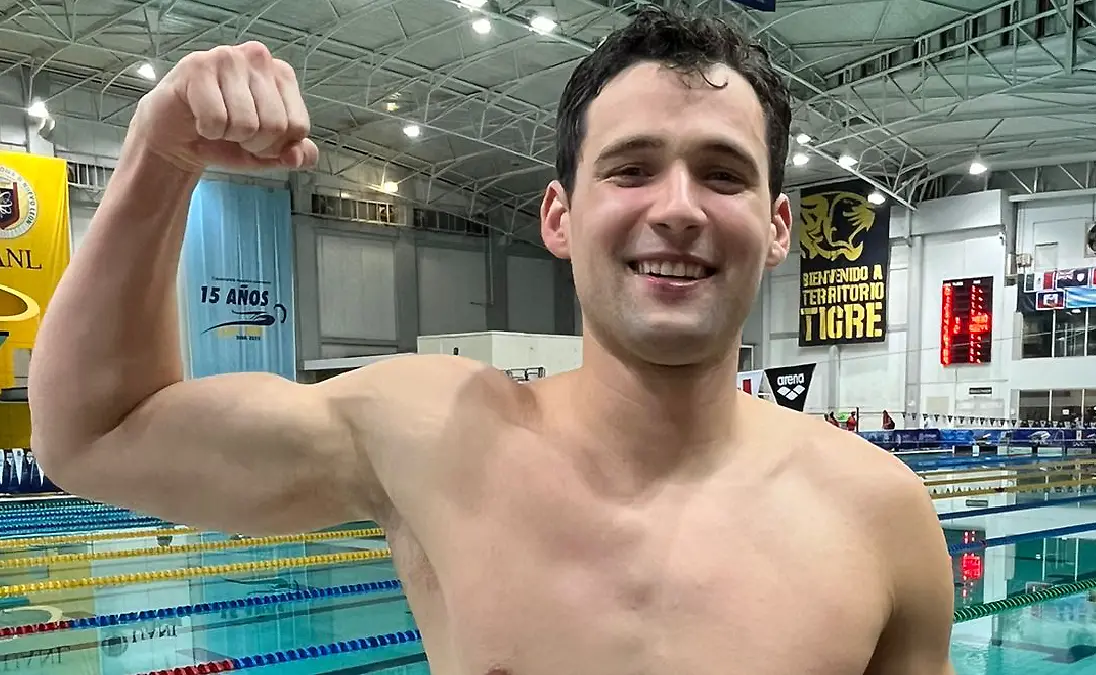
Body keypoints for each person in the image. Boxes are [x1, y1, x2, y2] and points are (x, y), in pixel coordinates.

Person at [29, 7, 954, 675]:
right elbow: (95, 434)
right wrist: (162, 155)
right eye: (631, 169)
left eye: (723, 175)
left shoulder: (879, 516)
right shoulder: (434, 432)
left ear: (780, 224)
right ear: (559, 214)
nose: (677, 209)